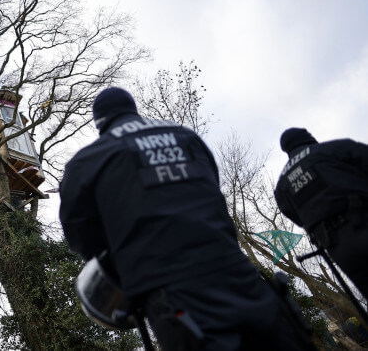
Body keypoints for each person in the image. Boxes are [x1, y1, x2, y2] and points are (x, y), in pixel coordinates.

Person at [59, 87, 314, 350]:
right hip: (242, 279)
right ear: (132, 108)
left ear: (99, 121)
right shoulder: (186, 137)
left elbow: (80, 235)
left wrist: (121, 255)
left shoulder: (87, 162)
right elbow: (212, 190)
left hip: (174, 297)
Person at [274, 127, 368, 299]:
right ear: (308, 137)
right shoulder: (333, 149)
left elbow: (296, 216)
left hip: (339, 248)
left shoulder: (282, 187)